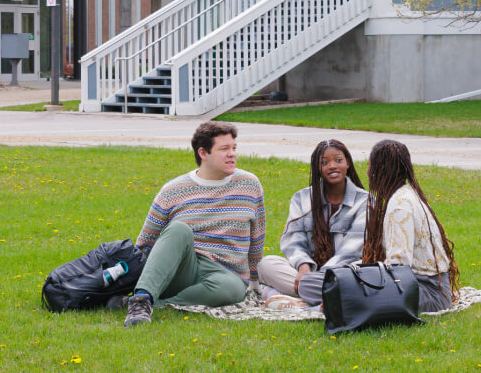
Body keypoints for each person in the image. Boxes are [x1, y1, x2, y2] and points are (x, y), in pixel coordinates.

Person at [121, 121, 265, 327]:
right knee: (179, 229)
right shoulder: (173, 190)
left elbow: (257, 239)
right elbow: (146, 242)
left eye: (234, 148)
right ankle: (140, 300)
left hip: (224, 274)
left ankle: (158, 304)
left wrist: (255, 283)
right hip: (181, 267)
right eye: (224, 149)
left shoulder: (249, 185)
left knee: (233, 289)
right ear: (203, 153)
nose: (232, 154)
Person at [257, 140, 370, 306]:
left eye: (338, 160)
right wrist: (303, 267)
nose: (332, 166)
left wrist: (316, 278)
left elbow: (352, 250)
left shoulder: (365, 201)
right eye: (324, 162)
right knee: (266, 264)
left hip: (343, 273)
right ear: (317, 168)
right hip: (309, 273)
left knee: (357, 275)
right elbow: (293, 240)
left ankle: (295, 298)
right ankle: (320, 299)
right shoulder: (301, 198)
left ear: (348, 164)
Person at [362, 139, 458, 313]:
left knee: (353, 295)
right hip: (427, 286)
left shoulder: (399, 206)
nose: (367, 172)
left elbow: (398, 268)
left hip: (429, 293)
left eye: (370, 166)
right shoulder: (405, 193)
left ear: (381, 171)